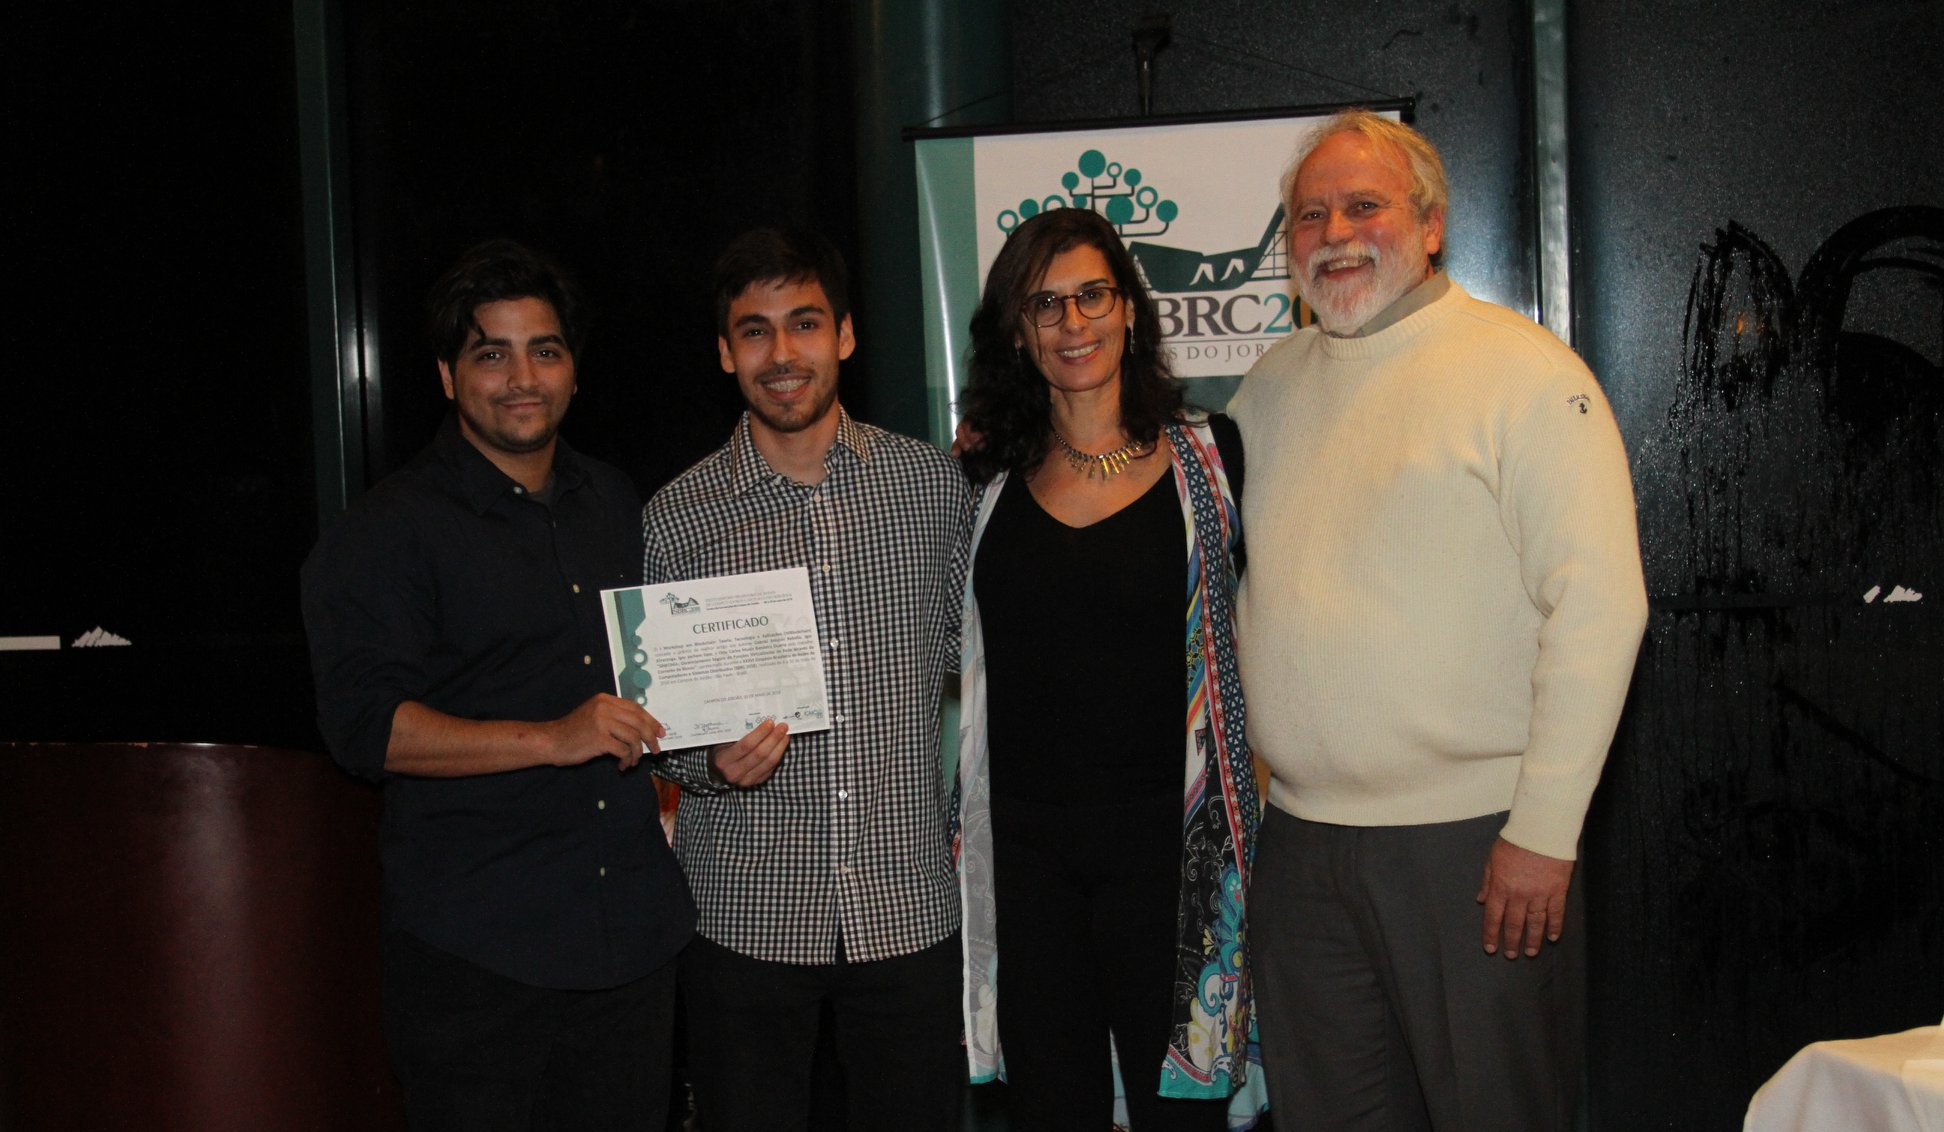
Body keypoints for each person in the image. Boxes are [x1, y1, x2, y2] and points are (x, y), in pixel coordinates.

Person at [1232, 109, 1649, 1130]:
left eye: (1363, 206)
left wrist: (1543, 832)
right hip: (1303, 849)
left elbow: (1601, 607)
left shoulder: (1523, 372)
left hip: (1475, 850)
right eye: (1310, 214)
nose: (1335, 232)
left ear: (1430, 225)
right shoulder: (1267, 388)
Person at [301, 239, 694, 1131]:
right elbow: (366, 728)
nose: (522, 378)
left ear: (574, 372)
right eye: (492, 354)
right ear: (448, 376)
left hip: (631, 941)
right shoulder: (386, 532)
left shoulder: (616, 502)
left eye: (544, 351)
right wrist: (552, 739)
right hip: (479, 957)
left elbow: (661, 676)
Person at [640, 226, 972, 1132]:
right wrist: (711, 763)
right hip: (745, 917)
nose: (782, 354)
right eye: (755, 331)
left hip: (905, 907)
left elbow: (981, 656)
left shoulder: (929, 489)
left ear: (845, 335)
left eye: (805, 323)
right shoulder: (676, 518)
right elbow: (653, 724)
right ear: (725, 351)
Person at [954, 206, 1258, 1131]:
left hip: (1171, 859)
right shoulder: (984, 477)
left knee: (1182, 1119)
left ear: (1129, 308)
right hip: (1029, 865)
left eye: (1092, 294)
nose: (1073, 322)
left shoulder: (1213, 458)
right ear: (1018, 331)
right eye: (1045, 304)